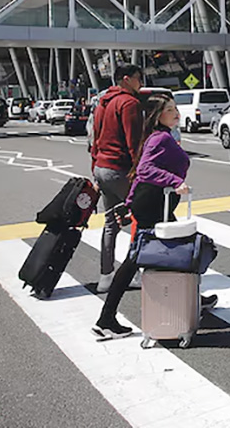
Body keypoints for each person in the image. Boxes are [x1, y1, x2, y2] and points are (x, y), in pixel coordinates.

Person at [92, 94, 217, 339]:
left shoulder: (160, 136)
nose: (177, 113)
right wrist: (175, 181)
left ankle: (192, 298)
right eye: (170, 110)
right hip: (153, 205)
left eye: (175, 109)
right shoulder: (160, 138)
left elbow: (139, 175)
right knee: (138, 259)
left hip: (154, 204)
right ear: (158, 116)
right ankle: (106, 318)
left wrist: (129, 206)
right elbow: (144, 170)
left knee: (177, 248)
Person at [91, 64, 144, 293]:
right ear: (126, 79)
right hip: (120, 169)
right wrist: (141, 172)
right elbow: (134, 143)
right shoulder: (129, 103)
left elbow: (95, 137)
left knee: (110, 223)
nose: (140, 82)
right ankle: (138, 272)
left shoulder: (103, 103)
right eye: (138, 78)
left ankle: (106, 276)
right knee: (142, 217)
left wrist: (94, 167)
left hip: (102, 167)